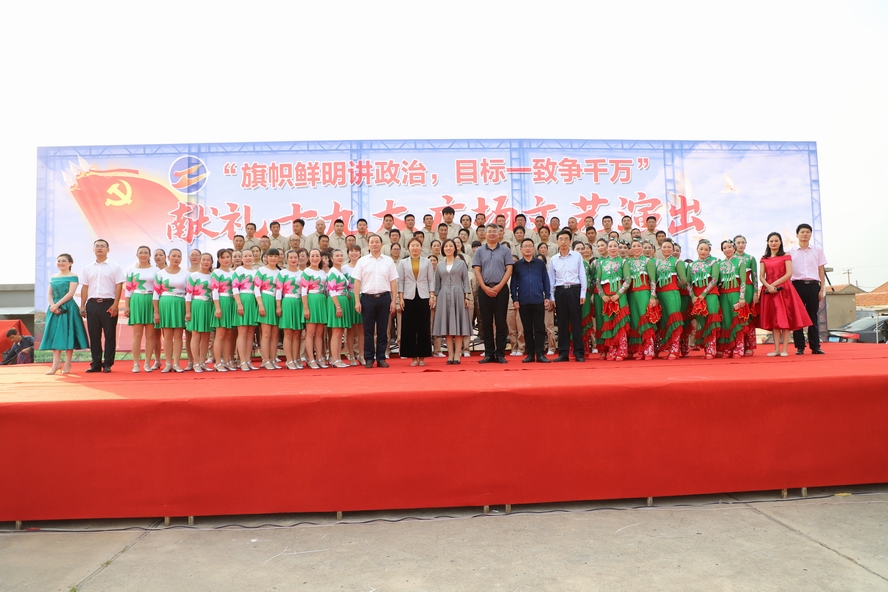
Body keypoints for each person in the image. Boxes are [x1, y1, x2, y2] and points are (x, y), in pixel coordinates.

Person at [759, 232, 812, 357]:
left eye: (776, 241)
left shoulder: (786, 256)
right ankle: (776, 349)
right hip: (769, 291)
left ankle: (785, 349)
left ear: (780, 242)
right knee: (774, 320)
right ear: (768, 243)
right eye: (771, 241)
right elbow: (761, 276)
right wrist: (769, 287)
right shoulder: (764, 258)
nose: (773, 243)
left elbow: (789, 274)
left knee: (785, 319)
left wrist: (774, 285)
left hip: (784, 290)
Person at [353, 235, 398, 368]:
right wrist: (357, 301)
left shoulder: (388, 261)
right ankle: (369, 358)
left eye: (377, 242)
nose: (374, 244)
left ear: (381, 244)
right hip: (367, 299)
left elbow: (393, 282)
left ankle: (381, 358)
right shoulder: (362, 261)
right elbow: (357, 282)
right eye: (372, 242)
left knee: (383, 331)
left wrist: (393, 301)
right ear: (368, 244)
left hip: (384, 298)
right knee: (368, 331)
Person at [80, 239, 124, 373]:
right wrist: (82, 305)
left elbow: (119, 286)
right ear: (93, 249)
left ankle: (108, 363)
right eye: (97, 246)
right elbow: (85, 287)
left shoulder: (115, 267)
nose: (99, 248)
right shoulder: (88, 268)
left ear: (108, 249)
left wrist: (115, 304)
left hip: (108, 304)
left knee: (109, 335)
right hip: (92, 304)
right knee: (94, 335)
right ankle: (96, 363)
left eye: (102, 246)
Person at [40, 253, 88, 373]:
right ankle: (56, 364)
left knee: (68, 334)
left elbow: (70, 294)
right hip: (54, 309)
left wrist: (57, 305)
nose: (60, 263)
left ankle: (67, 363)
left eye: (64, 261)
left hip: (68, 308)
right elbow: (49, 293)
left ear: (70, 263)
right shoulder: (54, 276)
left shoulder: (73, 276)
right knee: (55, 335)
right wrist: (52, 306)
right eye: (59, 261)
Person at [472, 223, 513, 364]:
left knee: (501, 322)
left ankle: (500, 353)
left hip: (501, 290)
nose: (492, 234)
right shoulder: (479, 251)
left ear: (499, 234)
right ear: (485, 234)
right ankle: (489, 353)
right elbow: (477, 270)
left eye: (494, 231)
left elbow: (509, 269)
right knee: (486, 322)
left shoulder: (505, 250)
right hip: (484, 289)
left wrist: (499, 286)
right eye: (489, 231)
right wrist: (484, 287)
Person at [548, 230, 587, 362]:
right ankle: (563, 353)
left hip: (575, 290)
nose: (563, 242)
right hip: (560, 291)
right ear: (557, 241)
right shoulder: (553, 259)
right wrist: (552, 297)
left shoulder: (577, 256)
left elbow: (582, 275)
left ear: (570, 241)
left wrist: (582, 293)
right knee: (562, 323)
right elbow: (551, 279)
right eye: (561, 239)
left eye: (566, 239)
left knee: (576, 322)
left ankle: (579, 353)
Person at [511, 238, 551, 363]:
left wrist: (547, 296)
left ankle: (540, 354)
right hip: (523, 300)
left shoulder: (540, 264)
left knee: (539, 328)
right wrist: (515, 298)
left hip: (538, 299)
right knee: (527, 329)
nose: (527, 248)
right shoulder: (517, 265)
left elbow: (546, 280)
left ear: (533, 248)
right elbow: (513, 283)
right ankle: (530, 354)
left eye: (530, 246)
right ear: (521, 249)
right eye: (525, 246)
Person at [432, 239, 472, 364]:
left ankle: (457, 355)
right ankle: (450, 355)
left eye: (451, 246)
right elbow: (437, 285)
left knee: (458, 326)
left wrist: (467, 297)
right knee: (447, 327)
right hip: (443, 296)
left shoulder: (461, 264)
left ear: (455, 248)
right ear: (443, 249)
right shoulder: (440, 265)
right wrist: (436, 299)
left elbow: (465, 281)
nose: (448, 248)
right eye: (446, 246)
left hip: (458, 295)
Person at [790, 223, 827, 355]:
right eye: (802, 232)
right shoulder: (790, 252)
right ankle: (800, 347)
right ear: (797, 234)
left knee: (813, 316)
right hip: (797, 286)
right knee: (798, 317)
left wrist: (822, 289)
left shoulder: (817, 250)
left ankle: (815, 346)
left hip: (813, 286)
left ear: (811, 234)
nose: (805, 234)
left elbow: (821, 270)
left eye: (807, 232)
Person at [398, 238, 434, 366]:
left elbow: (431, 279)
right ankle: (412, 357)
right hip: (408, 296)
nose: (415, 248)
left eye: (417, 245)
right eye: (412, 245)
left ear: (421, 247)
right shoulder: (403, 262)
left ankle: (423, 356)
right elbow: (400, 281)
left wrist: (431, 296)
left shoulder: (427, 262)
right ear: (408, 248)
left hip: (424, 296)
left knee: (424, 327)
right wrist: (401, 298)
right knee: (409, 327)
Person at [122, 246, 158, 373]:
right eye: (141, 253)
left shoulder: (156, 270)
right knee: (137, 335)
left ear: (149, 255)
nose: (143, 255)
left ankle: (147, 363)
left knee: (150, 335)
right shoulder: (131, 271)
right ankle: (136, 363)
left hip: (151, 299)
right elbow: (128, 290)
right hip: (136, 300)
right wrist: (127, 306)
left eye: (146, 253)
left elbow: (158, 288)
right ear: (137, 255)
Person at [153, 248, 188, 372]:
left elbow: (188, 293)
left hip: (180, 303)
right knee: (167, 336)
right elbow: (156, 294)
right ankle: (168, 363)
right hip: (165, 303)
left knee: (178, 335)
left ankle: (177, 363)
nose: (176, 258)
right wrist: (156, 311)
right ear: (168, 257)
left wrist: (188, 310)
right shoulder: (160, 274)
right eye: (174, 256)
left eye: (179, 256)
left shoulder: (186, 274)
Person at [652, 239, 687, 360]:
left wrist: (673, 285)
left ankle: (675, 349)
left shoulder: (677, 262)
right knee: (664, 321)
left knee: (674, 320)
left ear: (672, 249)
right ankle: (665, 347)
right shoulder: (658, 263)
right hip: (660, 295)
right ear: (660, 249)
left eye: (669, 247)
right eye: (664, 247)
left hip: (672, 294)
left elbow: (684, 280)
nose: (666, 249)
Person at [687, 240, 722, 360]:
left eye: (706, 249)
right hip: (696, 296)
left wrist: (703, 294)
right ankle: (707, 349)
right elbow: (688, 283)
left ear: (709, 251)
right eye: (701, 249)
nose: (703, 251)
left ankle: (711, 350)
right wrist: (693, 296)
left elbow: (714, 279)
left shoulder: (713, 262)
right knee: (701, 321)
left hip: (710, 294)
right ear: (697, 250)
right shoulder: (692, 265)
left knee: (711, 319)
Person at [597, 239, 631, 361]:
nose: (612, 248)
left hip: (619, 297)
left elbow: (628, 280)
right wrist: (602, 295)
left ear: (618, 248)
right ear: (607, 248)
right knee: (609, 322)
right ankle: (612, 350)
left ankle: (622, 351)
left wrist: (618, 294)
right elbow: (597, 282)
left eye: (615, 246)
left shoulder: (623, 261)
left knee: (620, 322)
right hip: (606, 298)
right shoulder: (601, 263)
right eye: (610, 246)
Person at [625, 238, 658, 360]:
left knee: (645, 319)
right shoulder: (628, 262)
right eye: (634, 246)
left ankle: (649, 350)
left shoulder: (648, 261)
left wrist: (653, 296)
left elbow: (653, 280)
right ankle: (640, 350)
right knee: (635, 321)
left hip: (644, 293)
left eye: (639, 246)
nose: (636, 248)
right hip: (632, 294)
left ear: (642, 247)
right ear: (631, 248)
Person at [716, 240, 749, 359]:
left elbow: (743, 282)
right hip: (723, 295)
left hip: (735, 294)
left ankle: (739, 348)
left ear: (734, 248)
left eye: (729, 247)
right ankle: (728, 348)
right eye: (724, 248)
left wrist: (742, 297)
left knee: (737, 320)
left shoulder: (740, 262)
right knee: (726, 321)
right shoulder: (720, 264)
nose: (727, 249)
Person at [185, 252, 214, 373]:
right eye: (204, 259)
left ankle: (202, 362)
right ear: (200, 261)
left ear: (212, 262)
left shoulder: (213, 276)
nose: (206, 262)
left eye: (208, 260)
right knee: (196, 335)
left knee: (206, 336)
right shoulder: (194, 276)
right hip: (197, 305)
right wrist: (188, 311)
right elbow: (188, 294)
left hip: (209, 305)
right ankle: (195, 362)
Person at [276, 249, 305, 370]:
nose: (293, 260)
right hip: (287, 301)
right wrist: (278, 306)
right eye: (291, 257)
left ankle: (296, 357)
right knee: (288, 333)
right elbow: (278, 290)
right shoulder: (282, 273)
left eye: (295, 257)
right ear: (287, 259)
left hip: (299, 303)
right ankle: (289, 360)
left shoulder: (302, 273)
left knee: (297, 333)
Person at [232, 249, 260, 371]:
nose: (248, 258)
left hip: (253, 301)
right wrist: (239, 303)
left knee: (250, 334)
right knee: (242, 332)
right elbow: (234, 288)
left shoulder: (256, 272)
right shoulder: (239, 270)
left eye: (250, 256)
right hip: (242, 299)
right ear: (242, 258)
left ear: (253, 257)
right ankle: (242, 360)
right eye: (245, 256)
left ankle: (248, 360)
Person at [210, 248, 237, 371]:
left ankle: (226, 361)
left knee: (229, 335)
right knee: (220, 334)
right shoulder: (216, 273)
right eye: (223, 257)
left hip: (232, 302)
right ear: (218, 259)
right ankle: (218, 362)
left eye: (228, 257)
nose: (226, 259)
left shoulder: (233, 273)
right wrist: (217, 307)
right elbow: (214, 291)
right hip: (221, 301)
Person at [325, 249, 353, 368]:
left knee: (340, 332)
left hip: (342, 300)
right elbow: (332, 291)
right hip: (336, 301)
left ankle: (337, 358)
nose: (340, 257)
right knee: (336, 332)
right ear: (332, 258)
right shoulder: (332, 272)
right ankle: (335, 359)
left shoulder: (340, 271)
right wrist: (338, 306)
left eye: (341, 255)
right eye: (337, 256)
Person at [255, 248, 282, 369]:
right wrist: (260, 304)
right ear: (266, 257)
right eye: (271, 256)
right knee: (266, 333)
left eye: (276, 256)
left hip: (277, 301)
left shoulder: (280, 272)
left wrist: (279, 305)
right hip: (265, 300)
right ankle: (265, 360)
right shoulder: (261, 270)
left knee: (275, 334)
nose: (273, 258)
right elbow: (256, 288)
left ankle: (273, 358)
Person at [301, 248, 328, 369]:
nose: (315, 258)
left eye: (317, 256)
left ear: (320, 258)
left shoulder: (322, 272)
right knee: (310, 333)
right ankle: (310, 359)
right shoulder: (306, 272)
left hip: (321, 300)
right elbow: (303, 291)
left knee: (319, 333)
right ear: (308, 258)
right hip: (311, 299)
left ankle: (319, 357)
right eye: (312, 256)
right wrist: (306, 308)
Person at [734, 235, 759, 356]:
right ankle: (737, 345)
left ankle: (749, 345)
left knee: (747, 316)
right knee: (735, 317)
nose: (740, 245)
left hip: (748, 289)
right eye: (738, 242)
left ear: (746, 244)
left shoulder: (750, 258)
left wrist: (755, 293)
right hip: (734, 289)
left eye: (743, 242)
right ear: (734, 245)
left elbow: (755, 277)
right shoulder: (730, 259)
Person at [343, 245, 364, 366]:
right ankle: (350, 355)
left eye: (356, 251)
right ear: (348, 253)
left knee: (362, 329)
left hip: (363, 297)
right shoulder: (344, 268)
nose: (354, 253)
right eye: (351, 251)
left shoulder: (364, 266)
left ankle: (361, 355)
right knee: (350, 330)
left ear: (360, 253)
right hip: (350, 299)